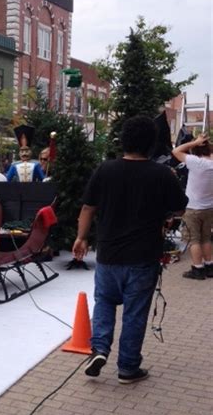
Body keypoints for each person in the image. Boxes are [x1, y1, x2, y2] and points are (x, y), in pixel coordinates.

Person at [72, 116, 188, 384]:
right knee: (135, 313)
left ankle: (99, 349)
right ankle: (127, 368)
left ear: (123, 140)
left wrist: (81, 237)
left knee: (104, 303)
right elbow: (180, 207)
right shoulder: (161, 174)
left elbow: (88, 208)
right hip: (143, 257)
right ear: (151, 144)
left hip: (108, 255)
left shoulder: (105, 170)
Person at [172, 132, 213, 279]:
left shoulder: (196, 162)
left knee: (194, 239)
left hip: (193, 208)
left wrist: (195, 142)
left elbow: (176, 151)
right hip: (209, 208)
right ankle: (209, 265)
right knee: (206, 238)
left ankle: (198, 268)